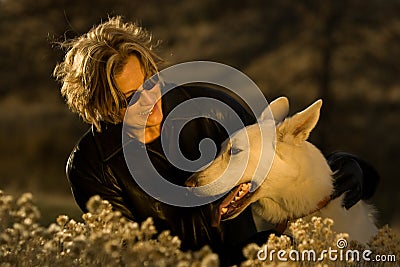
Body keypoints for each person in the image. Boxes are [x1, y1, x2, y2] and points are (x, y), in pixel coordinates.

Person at [53, 16, 379, 265]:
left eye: (150, 83)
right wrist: (249, 253)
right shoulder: (91, 167)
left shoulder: (211, 108)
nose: (150, 103)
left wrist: (348, 169)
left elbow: (280, 149)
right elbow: (132, 257)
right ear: (97, 105)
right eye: (129, 99)